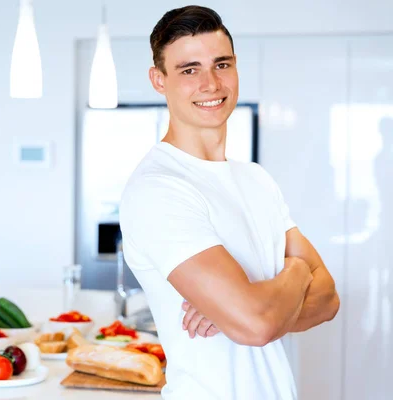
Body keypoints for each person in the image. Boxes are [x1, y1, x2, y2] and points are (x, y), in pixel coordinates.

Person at [119, 5, 340, 399]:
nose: (210, 83)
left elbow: (328, 300)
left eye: (222, 64)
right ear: (159, 80)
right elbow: (256, 325)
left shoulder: (256, 179)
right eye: (189, 70)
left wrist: (257, 310)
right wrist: (298, 270)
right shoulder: (158, 188)